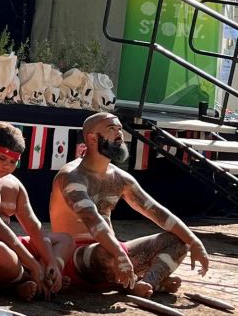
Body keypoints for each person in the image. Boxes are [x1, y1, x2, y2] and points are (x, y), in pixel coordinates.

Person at [50, 112, 210, 297]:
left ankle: (145, 283)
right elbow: (91, 219)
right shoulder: (71, 176)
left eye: (120, 129)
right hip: (76, 258)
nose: (120, 135)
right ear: (92, 138)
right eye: (112, 129)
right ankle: (136, 281)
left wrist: (194, 241)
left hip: (115, 255)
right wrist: (119, 254)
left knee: (178, 240)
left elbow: (156, 210)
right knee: (105, 252)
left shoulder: (121, 178)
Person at [0, 123, 74, 301]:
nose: (7, 166)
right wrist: (32, 264)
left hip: (7, 255)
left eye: (13, 162)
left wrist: (51, 262)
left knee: (65, 239)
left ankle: (44, 277)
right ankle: (24, 281)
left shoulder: (13, 184)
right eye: (1, 158)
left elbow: (33, 226)